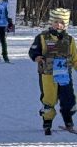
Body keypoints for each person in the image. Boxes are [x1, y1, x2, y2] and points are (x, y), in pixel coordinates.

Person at [29, 8, 75, 136]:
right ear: (51, 22)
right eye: (56, 21)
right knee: (49, 99)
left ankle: (68, 122)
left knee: (68, 99)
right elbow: (33, 51)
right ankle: (47, 122)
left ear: (65, 24)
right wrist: (37, 57)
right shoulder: (42, 37)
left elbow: (74, 57)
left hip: (64, 74)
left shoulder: (69, 39)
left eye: (62, 22)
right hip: (47, 74)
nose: (58, 24)